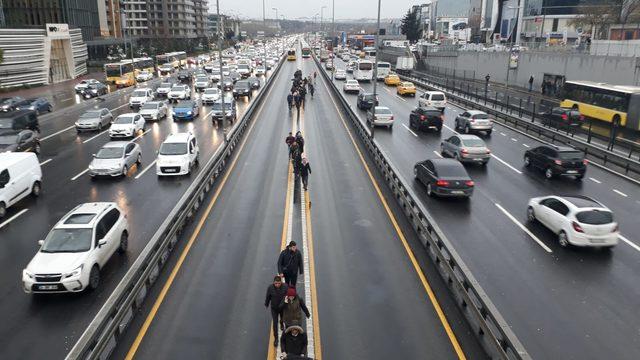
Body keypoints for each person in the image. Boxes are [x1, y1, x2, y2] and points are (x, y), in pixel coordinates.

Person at [265, 275, 289, 347]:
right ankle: (276, 339)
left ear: (281, 282)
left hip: (282, 307)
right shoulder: (270, 288)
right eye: (276, 283)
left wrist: (285, 304)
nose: (277, 285)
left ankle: (281, 323)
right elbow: (268, 296)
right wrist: (266, 303)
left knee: (282, 319)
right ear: (273, 283)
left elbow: (287, 296)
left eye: (278, 283)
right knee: (275, 324)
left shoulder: (285, 287)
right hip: (274, 308)